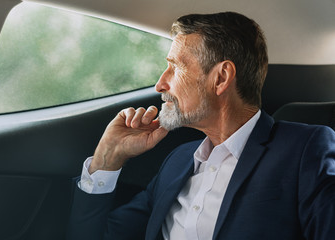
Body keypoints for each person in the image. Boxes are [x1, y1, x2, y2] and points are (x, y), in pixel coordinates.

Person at [67, 12, 335, 240]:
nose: (160, 85)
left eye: (175, 67)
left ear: (221, 78)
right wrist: (107, 158)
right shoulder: (178, 161)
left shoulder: (304, 149)